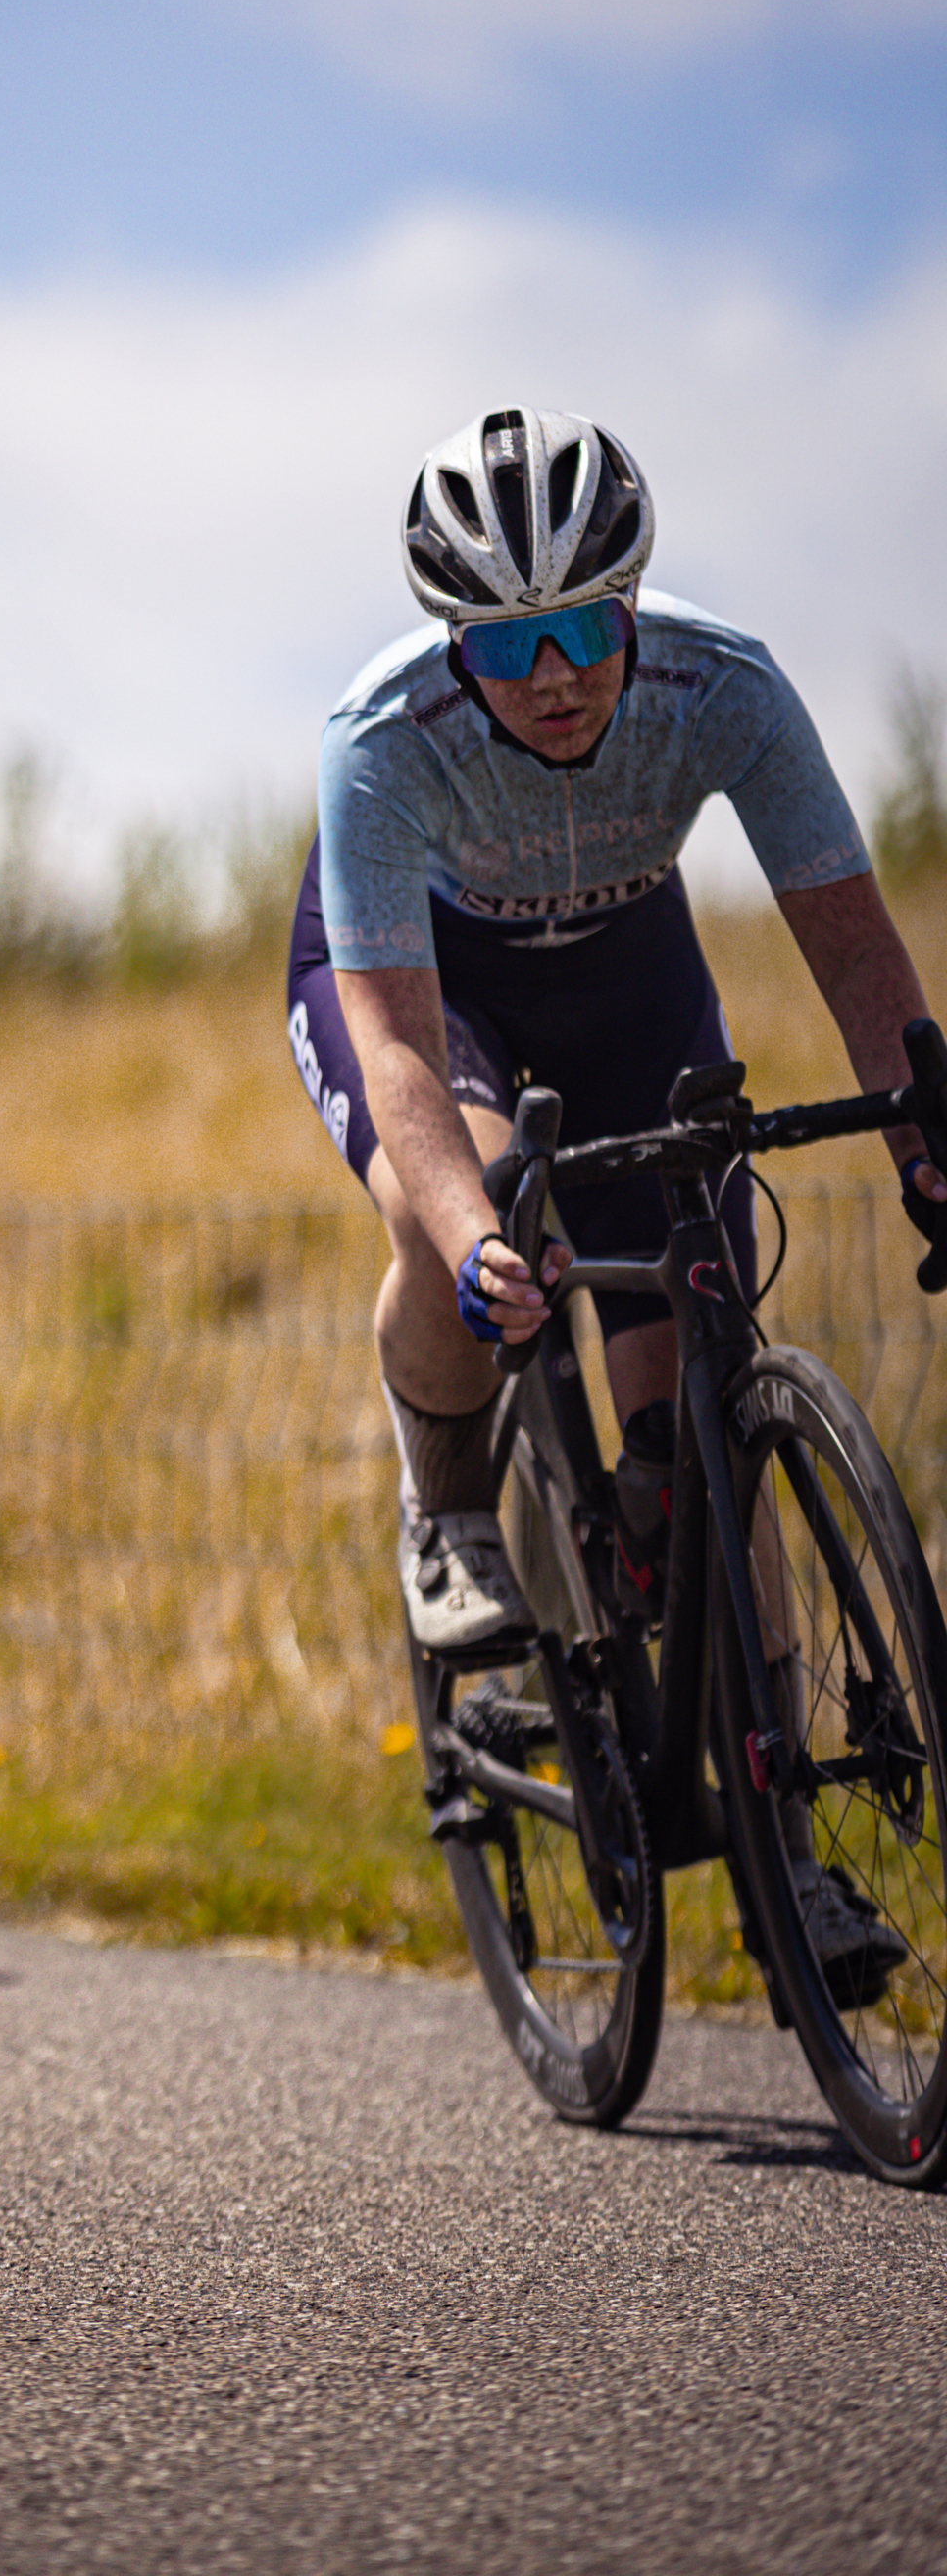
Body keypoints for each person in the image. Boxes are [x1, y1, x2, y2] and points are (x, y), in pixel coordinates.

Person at [285, 406, 945, 1970]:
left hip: (635, 983)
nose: (556, 674)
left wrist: (924, 1127)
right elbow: (389, 1045)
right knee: (474, 1195)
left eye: (586, 626)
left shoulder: (729, 690)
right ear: (454, 643)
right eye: (509, 645)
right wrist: (464, 1233)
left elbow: (852, 946)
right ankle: (447, 1510)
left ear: (634, 604)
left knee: (699, 1409)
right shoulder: (382, 740)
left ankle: (785, 1848)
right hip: (431, 986)